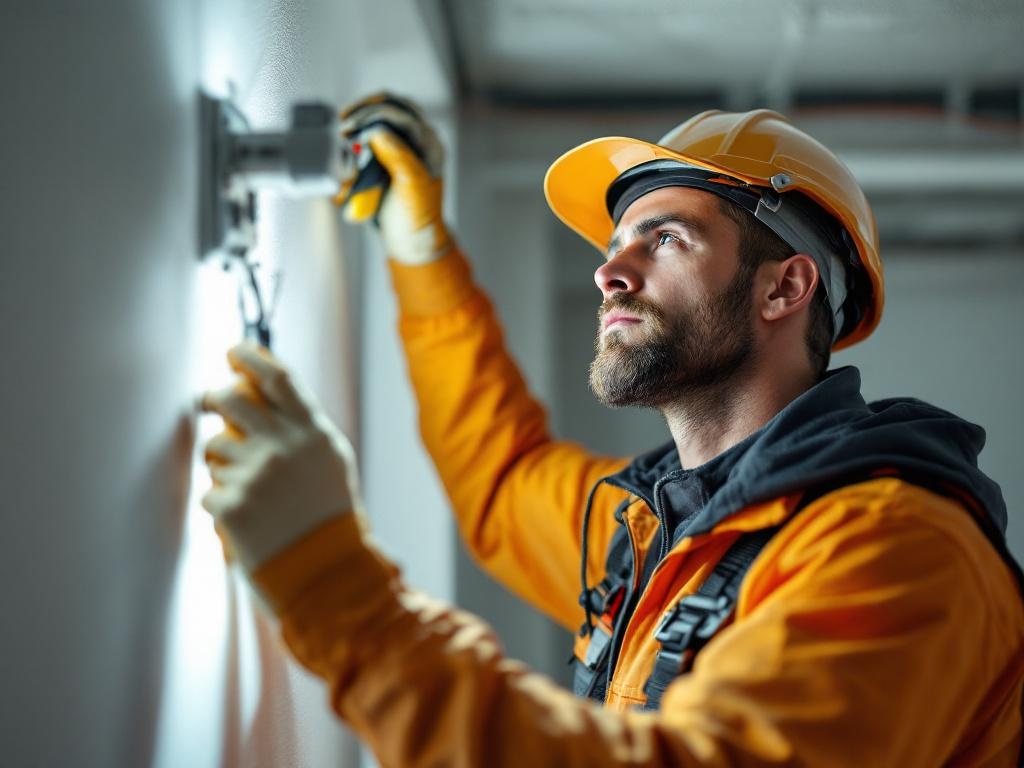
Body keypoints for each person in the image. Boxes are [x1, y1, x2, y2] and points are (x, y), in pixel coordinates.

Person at [201, 94, 1024, 766]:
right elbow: (502, 479)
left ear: (785, 289)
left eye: (666, 238)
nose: (610, 270)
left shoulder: (894, 550)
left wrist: (337, 593)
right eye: (616, 240)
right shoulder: (660, 529)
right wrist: (421, 250)